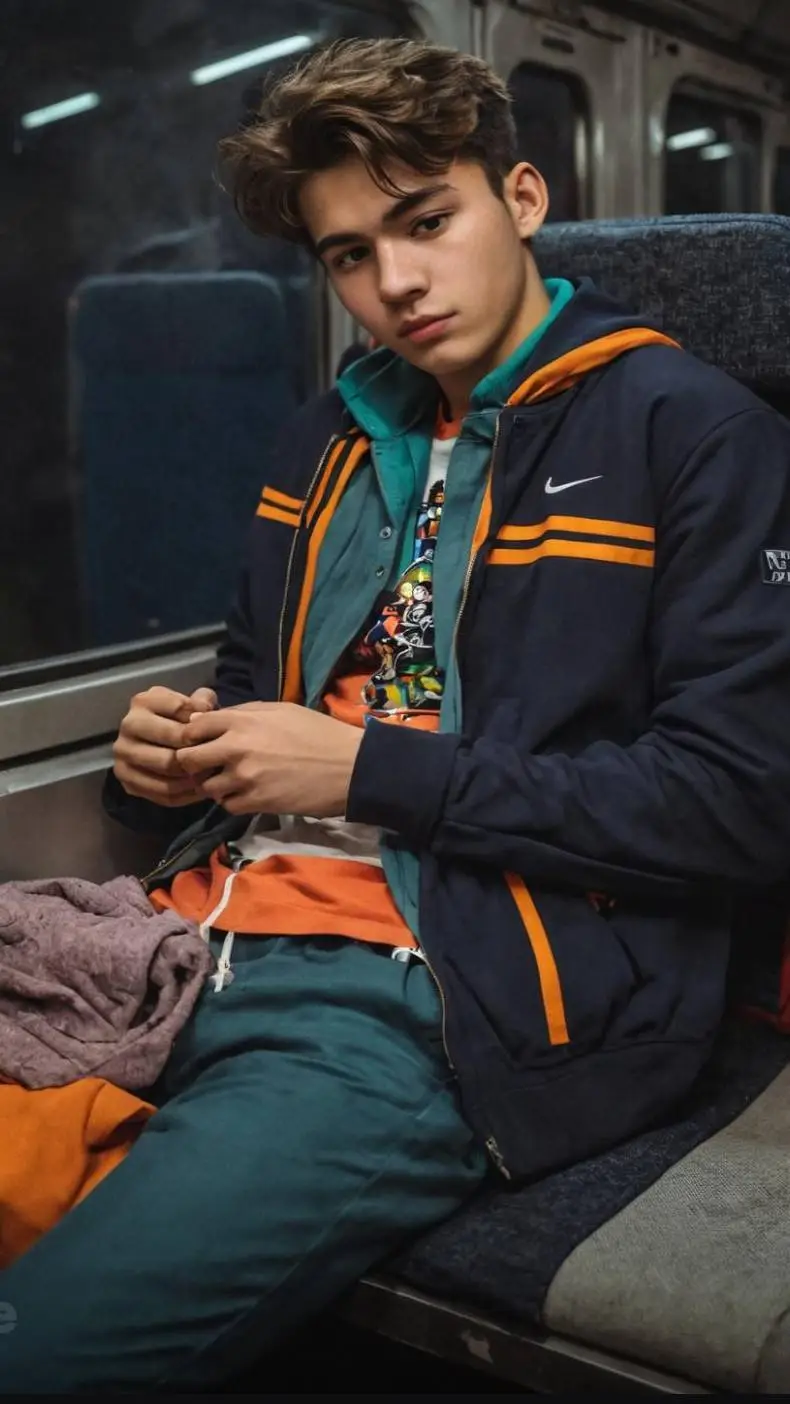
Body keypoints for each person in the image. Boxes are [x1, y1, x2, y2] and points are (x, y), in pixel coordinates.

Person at [3, 35, 790, 1392]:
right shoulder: (327, 439)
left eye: (426, 221)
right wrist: (164, 766)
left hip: (437, 987)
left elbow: (736, 806)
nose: (396, 284)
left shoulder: (696, 432)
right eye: (350, 255)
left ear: (522, 199)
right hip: (187, 937)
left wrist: (366, 770)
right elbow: (254, 690)